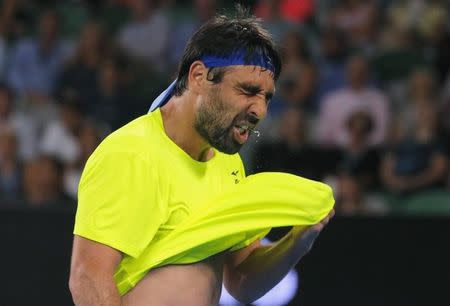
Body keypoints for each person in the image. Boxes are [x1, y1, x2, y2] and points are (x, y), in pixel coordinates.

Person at [70, 9, 334, 306]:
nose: (260, 111)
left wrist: (300, 240)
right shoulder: (131, 154)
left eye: (266, 97)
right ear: (198, 76)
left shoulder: (228, 161)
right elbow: (88, 277)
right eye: (248, 91)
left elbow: (242, 284)